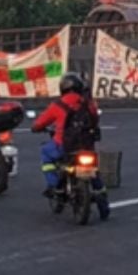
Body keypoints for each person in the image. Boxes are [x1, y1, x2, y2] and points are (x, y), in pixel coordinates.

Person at [31, 73, 110, 220]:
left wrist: (35, 127)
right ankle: (104, 204)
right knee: (94, 173)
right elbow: (95, 120)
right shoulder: (88, 104)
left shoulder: (58, 104)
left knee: (46, 155)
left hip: (64, 146)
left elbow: (40, 123)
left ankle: (55, 186)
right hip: (87, 146)